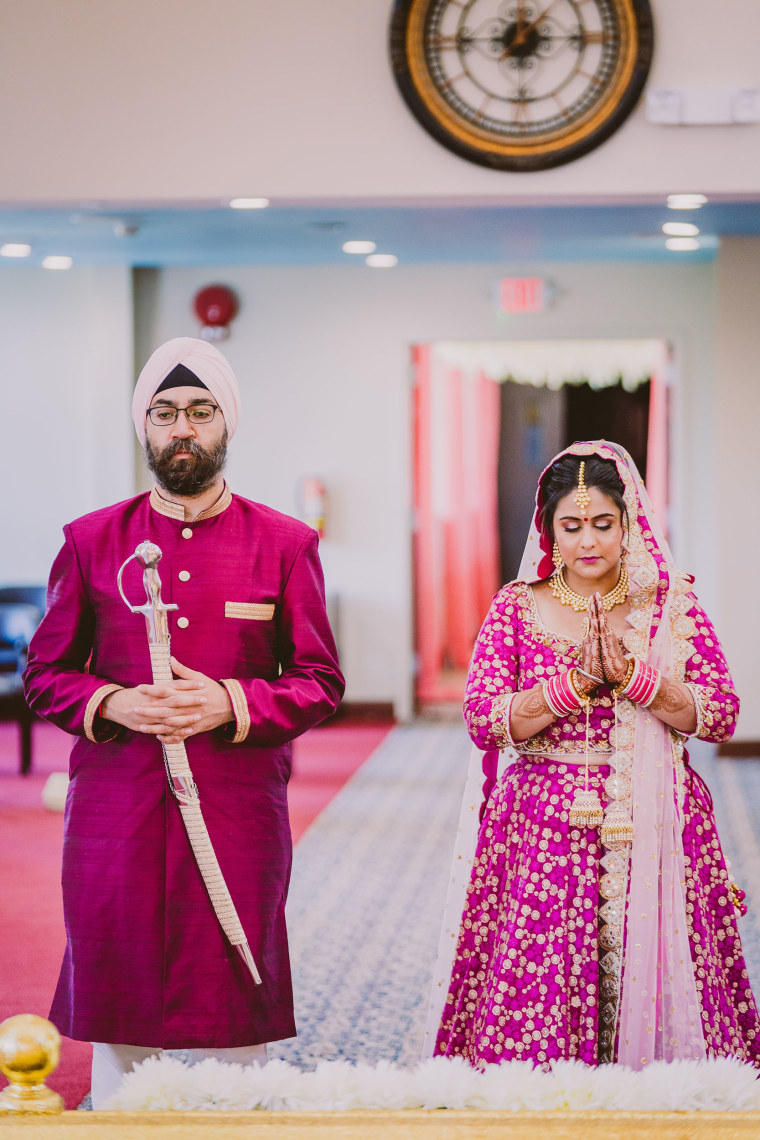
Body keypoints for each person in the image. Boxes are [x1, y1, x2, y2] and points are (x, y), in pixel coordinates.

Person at [24, 337, 344, 1105]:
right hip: (115, 810)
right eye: (165, 414)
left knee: (238, 1015)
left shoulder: (285, 544)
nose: (182, 430)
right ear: (145, 429)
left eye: (200, 412)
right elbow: (44, 674)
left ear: (225, 424)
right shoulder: (92, 540)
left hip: (235, 811)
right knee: (121, 1017)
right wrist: (113, 701)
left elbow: (320, 683)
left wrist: (228, 702)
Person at [429, 440, 760, 1069]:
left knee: (661, 965)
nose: (587, 541)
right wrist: (568, 688)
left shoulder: (671, 606)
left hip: (657, 817)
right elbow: (483, 718)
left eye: (603, 524)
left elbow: (719, 714)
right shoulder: (516, 607)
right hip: (543, 822)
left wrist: (637, 678)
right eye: (571, 525)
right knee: (541, 973)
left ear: (628, 522)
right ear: (548, 529)